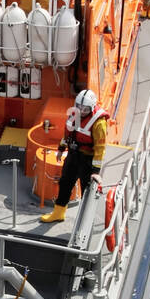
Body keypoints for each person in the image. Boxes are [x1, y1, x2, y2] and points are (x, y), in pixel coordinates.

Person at [41, 89, 108, 223]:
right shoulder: (74, 114)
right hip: (73, 156)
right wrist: (61, 148)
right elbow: (68, 134)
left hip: (87, 161)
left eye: (85, 109)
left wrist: (96, 171)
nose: (82, 111)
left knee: (86, 191)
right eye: (79, 107)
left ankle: (86, 221)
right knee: (65, 183)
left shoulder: (98, 123)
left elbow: (100, 148)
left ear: (92, 107)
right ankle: (58, 213)